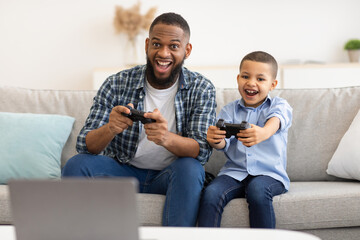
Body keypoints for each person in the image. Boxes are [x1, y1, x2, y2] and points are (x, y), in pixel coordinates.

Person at [62, 12, 216, 227]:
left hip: (169, 175)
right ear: (147, 45)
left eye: (173, 46)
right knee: (77, 165)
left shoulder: (201, 88)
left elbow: (201, 150)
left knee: (191, 168)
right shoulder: (117, 83)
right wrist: (110, 128)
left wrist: (166, 138)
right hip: (123, 172)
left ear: (186, 50)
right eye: (156, 44)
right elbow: (85, 145)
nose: (163, 53)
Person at [198, 51, 292, 228]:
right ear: (238, 78)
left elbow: (278, 119)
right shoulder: (229, 110)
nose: (251, 83)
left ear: (273, 84)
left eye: (260, 79)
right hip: (235, 173)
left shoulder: (279, 105)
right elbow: (223, 144)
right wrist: (215, 140)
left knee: (257, 190)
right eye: (246, 76)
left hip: (269, 175)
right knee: (211, 193)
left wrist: (264, 132)